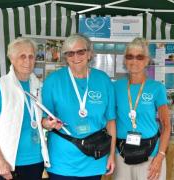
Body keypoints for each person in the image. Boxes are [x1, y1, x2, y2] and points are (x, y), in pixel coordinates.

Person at [41, 33, 116, 180]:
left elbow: (111, 121)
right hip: (62, 161)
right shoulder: (53, 81)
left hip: (94, 158)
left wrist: (112, 155)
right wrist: (48, 124)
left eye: (81, 52)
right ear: (65, 57)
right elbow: (43, 119)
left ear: (89, 54)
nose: (76, 57)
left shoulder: (103, 80)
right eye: (70, 53)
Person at [113, 37, 171, 180]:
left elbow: (166, 125)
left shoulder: (157, 88)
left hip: (151, 155)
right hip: (121, 155)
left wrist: (160, 156)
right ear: (125, 61)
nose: (134, 61)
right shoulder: (115, 87)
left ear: (146, 61)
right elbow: (110, 121)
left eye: (140, 57)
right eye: (130, 56)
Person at [0, 37, 51, 180]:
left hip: (36, 161)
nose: (27, 61)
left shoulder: (38, 86)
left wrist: (47, 123)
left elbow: (36, 121)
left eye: (31, 56)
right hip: (9, 163)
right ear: (12, 59)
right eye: (22, 56)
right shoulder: (1, 86)